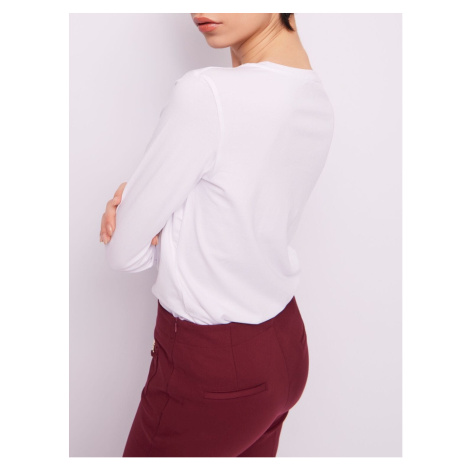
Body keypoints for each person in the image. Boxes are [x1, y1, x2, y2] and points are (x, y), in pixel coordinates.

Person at [99, 13, 335, 457]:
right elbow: (238, 224)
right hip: (286, 348)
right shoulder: (314, 94)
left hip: (211, 373)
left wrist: (151, 216)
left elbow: (123, 252)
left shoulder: (206, 94)